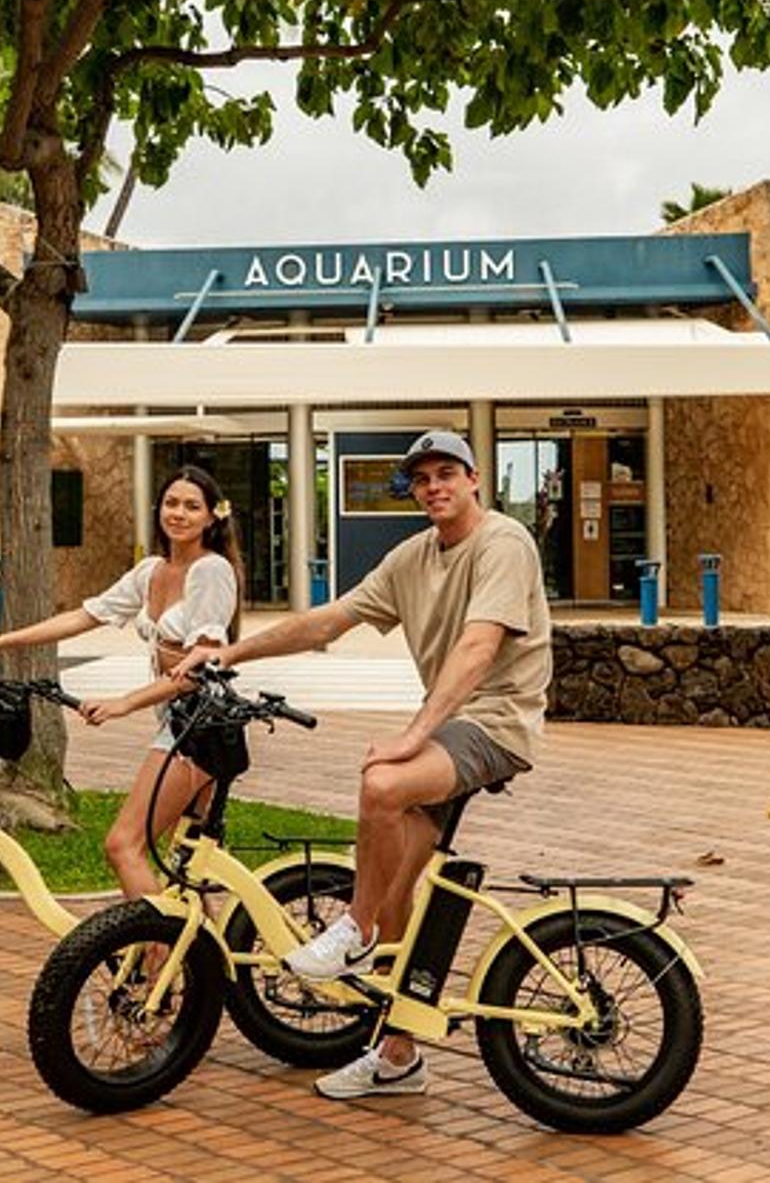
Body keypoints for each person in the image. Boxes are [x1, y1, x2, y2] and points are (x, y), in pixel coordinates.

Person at [170, 429, 550, 1102]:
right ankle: (399, 1056)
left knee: (383, 782)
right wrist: (229, 654)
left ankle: (355, 930)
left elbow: (477, 646)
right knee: (401, 884)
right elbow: (327, 621)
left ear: (473, 479)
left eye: (446, 473)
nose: (434, 486)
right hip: (455, 723)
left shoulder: (503, 542)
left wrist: (414, 733)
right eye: (422, 478)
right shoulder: (413, 557)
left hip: (495, 723)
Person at [0, 464, 241, 900]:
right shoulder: (151, 571)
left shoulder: (211, 571)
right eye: (171, 503)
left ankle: (153, 961)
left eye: (191, 506)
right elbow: (85, 615)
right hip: (177, 721)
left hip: (199, 727)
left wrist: (125, 703)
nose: (178, 514)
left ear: (211, 517)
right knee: (186, 864)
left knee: (124, 846)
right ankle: (200, 964)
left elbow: (198, 671)